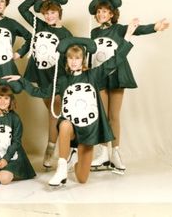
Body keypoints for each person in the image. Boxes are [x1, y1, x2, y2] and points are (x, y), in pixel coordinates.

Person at [10, 20, 138, 186]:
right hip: (71, 128)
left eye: (77, 58)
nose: (74, 61)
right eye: (70, 58)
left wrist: (127, 37)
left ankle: (77, 157)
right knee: (64, 125)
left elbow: (116, 59)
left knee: (82, 179)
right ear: (66, 61)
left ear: (83, 60)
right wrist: (20, 80)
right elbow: (40, 92)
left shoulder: (93, 75)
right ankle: (61, 170)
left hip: (89, 130)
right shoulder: (62, 81)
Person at [88, 0, 170, 172]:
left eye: (106, 11)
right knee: (102, 115)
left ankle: (115, 153)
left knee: (114, 116)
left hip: (117, 74)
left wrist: (156, 27)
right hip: (100, 75)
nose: (102, 14)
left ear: (112, 14)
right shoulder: (93, 32)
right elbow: (91, 53)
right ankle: (103, 153)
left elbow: (138, 29)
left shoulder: (119, 29)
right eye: (99, 11)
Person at [18, 0, 73, 169]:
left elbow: (69, 59)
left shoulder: (66, 34)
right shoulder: (39, 25)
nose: (49, 16)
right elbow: (22, 9)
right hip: (42, 75)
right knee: (52, 115)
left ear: (59, 13)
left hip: (58, 77)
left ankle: (54, 148)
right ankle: (54, 146)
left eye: (53, 12)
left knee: (55, 114)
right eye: (46, 13)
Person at [0, 84, 36, 184]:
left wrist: (5, 159)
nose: (2, 101)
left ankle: (8, 170)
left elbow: (16, 141)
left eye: (6, 98)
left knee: (4, 179)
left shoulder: (15, 118)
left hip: (12, 156)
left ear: (11, 100)